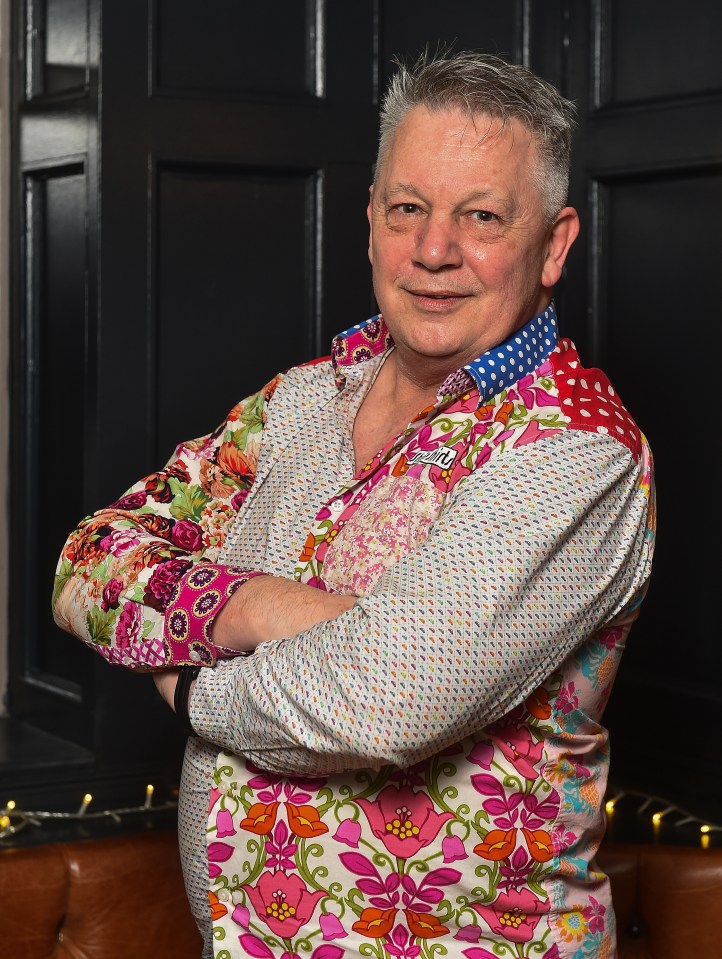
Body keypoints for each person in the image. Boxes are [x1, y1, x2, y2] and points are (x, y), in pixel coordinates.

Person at [54, 51, 655, 959]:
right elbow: (87, 560)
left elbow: (379, 701)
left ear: (555, 245)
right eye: (408, 208)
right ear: (370, 218)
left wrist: (181, 683)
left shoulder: (574, 449)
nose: (434, 249)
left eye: (482, 216)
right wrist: (256, 606)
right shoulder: (301, 398)